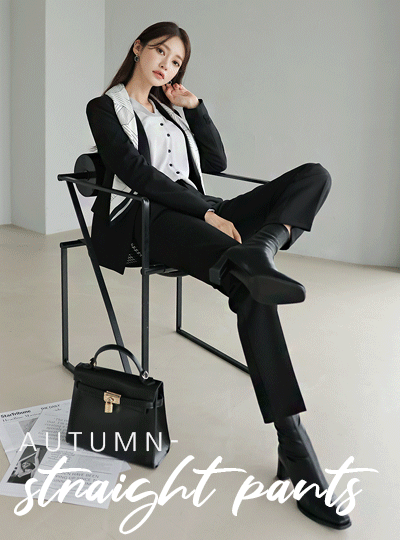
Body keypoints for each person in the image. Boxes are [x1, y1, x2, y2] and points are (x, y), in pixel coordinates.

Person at [86, 21, 350, 530]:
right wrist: (205, 214)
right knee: (251, 288)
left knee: (314, 175)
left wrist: (195, 108)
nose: (166, 65)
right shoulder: (105, 107)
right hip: (148, 218)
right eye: (159, 52)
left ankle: (261, 249)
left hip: (202, 210)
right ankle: (294, 444)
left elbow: (217, 161)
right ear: (138, 48)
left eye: (176, 61)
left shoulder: (170, 109)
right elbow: (137, 174)